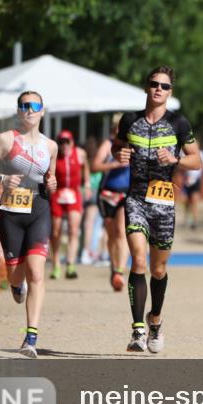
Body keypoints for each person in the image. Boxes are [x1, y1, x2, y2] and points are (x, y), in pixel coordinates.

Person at [113, 65, 201, 353]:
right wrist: (120, 152)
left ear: (170, 92)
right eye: (154, 84)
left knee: (158, 269)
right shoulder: (130, 120)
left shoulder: (179, 124)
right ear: (146, 87)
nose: (158, 89)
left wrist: (175, 159)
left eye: (164, 86)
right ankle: (137, 330)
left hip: (163, 201)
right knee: (138, 261)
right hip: (136, 198)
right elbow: (117, 146)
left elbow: (196, 160)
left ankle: (156, 320)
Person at [0, 90, 58, 358]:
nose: (29, 109)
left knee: (36, 273)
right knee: (16, 273)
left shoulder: (51, 146)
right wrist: (2, 179)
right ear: (18, 111)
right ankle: (16, 286)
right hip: (11, 212)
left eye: (34, 105)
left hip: (39, 208)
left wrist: (53, 183)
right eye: (24, 105)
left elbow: (52, 178)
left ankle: (31, 338)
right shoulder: (5, 139)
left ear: (42, 111)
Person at [91, 113, 131, 292]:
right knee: (111, 233)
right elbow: (95, 166)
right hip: (108, 193)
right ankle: (114, 266)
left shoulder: (134, 144)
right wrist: (114, 164)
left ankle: (120, 272)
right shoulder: (108, 145)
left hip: (127, 194)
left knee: (122, 231)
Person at [49, 130, 90, 280]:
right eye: (61, 142)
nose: (65, 145)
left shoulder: (80, 153)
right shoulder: (54, 155)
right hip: (58, 194)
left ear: (72, 142)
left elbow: (86, 167)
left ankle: (71, 264)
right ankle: (56, 264)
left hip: (73, 194)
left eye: (67, 142)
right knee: (55, 232)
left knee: (73, 230)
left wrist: (87, 184)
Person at [81, 134, 104, 266]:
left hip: (84, 190)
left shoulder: (85, 160)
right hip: (95, 192)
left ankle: (86, 251)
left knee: (85, 224)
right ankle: (90, 251)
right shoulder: (98, 160)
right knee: (94, 224)